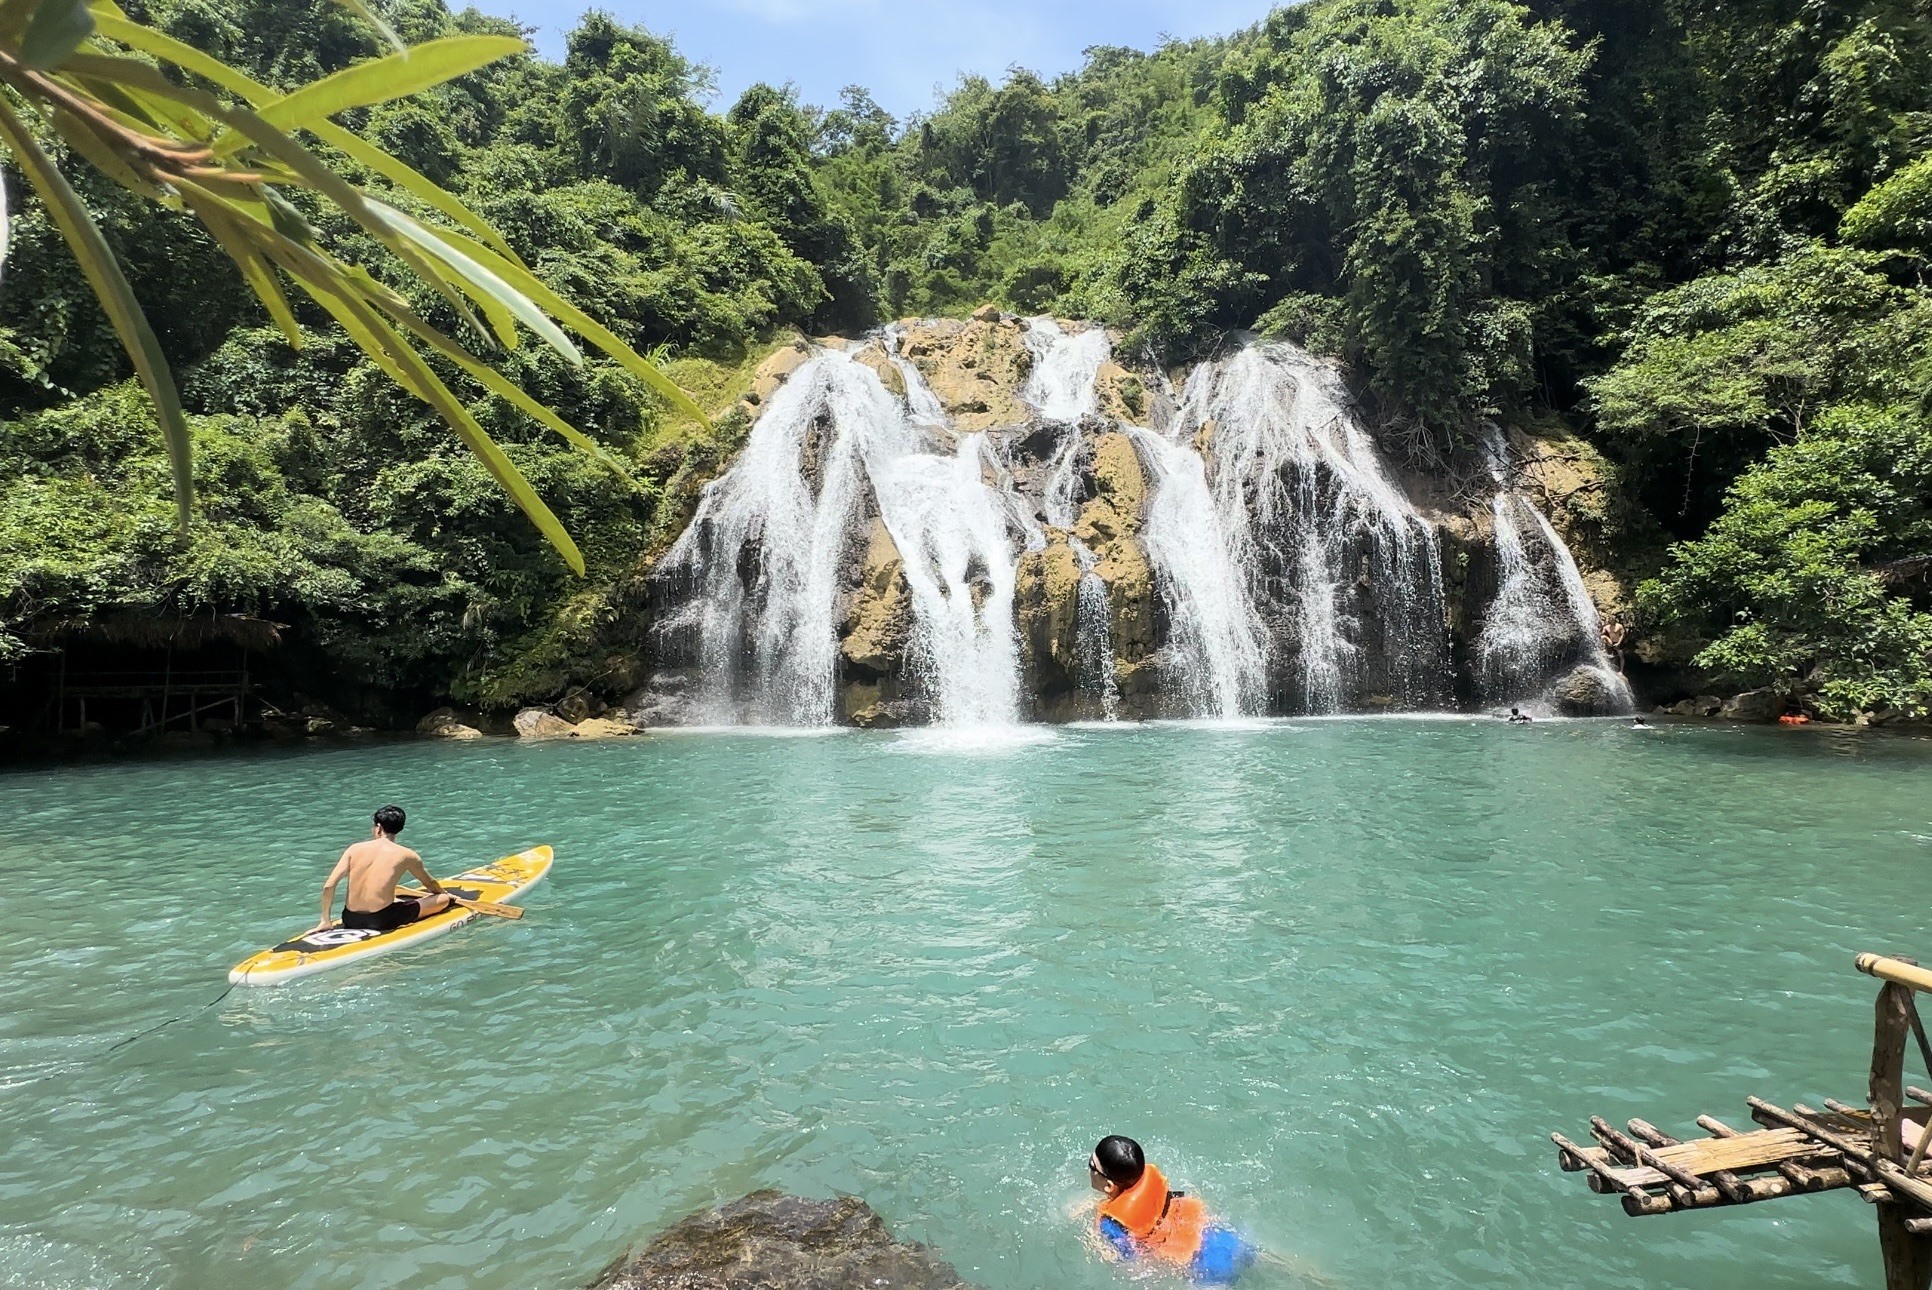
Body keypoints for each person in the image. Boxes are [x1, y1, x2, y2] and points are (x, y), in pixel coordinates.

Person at [1088, 1135, 1254, 1285]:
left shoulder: (1110, 1224)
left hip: (1204, 1267)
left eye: (1092, 1165)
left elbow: (1133, 1268)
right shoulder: (1149, 1181)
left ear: (1109, 1186)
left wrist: (1098, 1246)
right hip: (1224, 1237)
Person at [313, 805, 452, 934]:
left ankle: (326, 922)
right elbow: (430, 884)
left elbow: (329, 886)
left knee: (395, 899)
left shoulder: (353, 849)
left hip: (350, 919)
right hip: (382, 920)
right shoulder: (407, 855)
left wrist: (326, 920)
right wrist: (445, 894)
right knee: (443, 899)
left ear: (378, 827)